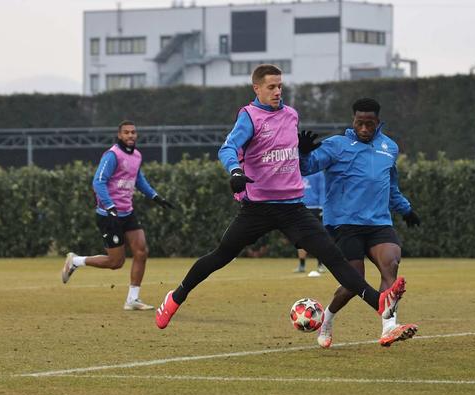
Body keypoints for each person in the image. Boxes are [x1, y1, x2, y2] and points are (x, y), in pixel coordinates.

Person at [154, 64, 405, 335]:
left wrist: (303, 151)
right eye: (271, 87)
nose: (277, 91)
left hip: (292, 207)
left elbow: (288, 153)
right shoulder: (249, 117)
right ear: (257, 88)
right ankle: (176, 296)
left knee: (333, 257)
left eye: (280, 86)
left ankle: (379, 304)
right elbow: (228, 148)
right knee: (221, 256)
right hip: (258, 208)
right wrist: (235, 171)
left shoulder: (291, 115)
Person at [300, 98, 420, 349]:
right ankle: (327, 320)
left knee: (391, 263)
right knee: (353, 282)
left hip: (378, 222)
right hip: (344, 224)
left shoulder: (389, 147)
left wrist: (406, 209)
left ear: (378, 122)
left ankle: (389, 327)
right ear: (353, 120)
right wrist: (302, 152)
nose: (364, 129)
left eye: (370, 124)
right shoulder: (336, 145)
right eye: (359, 123)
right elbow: (306, 168)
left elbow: (391, 186)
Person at [61, 120, 176, 310]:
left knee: (141, 251)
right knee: (116, 262)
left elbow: (138, 179)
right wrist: (110, 206)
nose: (130, 135)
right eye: (126, 133)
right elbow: (98, 182)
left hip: (127, 213)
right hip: (109, 215)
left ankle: (132, 299)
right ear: (119, 135)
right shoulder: (112, 155)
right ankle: (75, 261)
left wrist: (155, 196)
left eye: (133, 132)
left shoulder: (137, 156)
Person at [294, 171, 326, 277]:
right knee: (300, 238)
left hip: (316, 208)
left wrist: (322, 207)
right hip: (300, 207)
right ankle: (302, 264)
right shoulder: (296, 171)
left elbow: (322, 189)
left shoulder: (318, 173)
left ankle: (320, 264)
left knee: (318, 237)